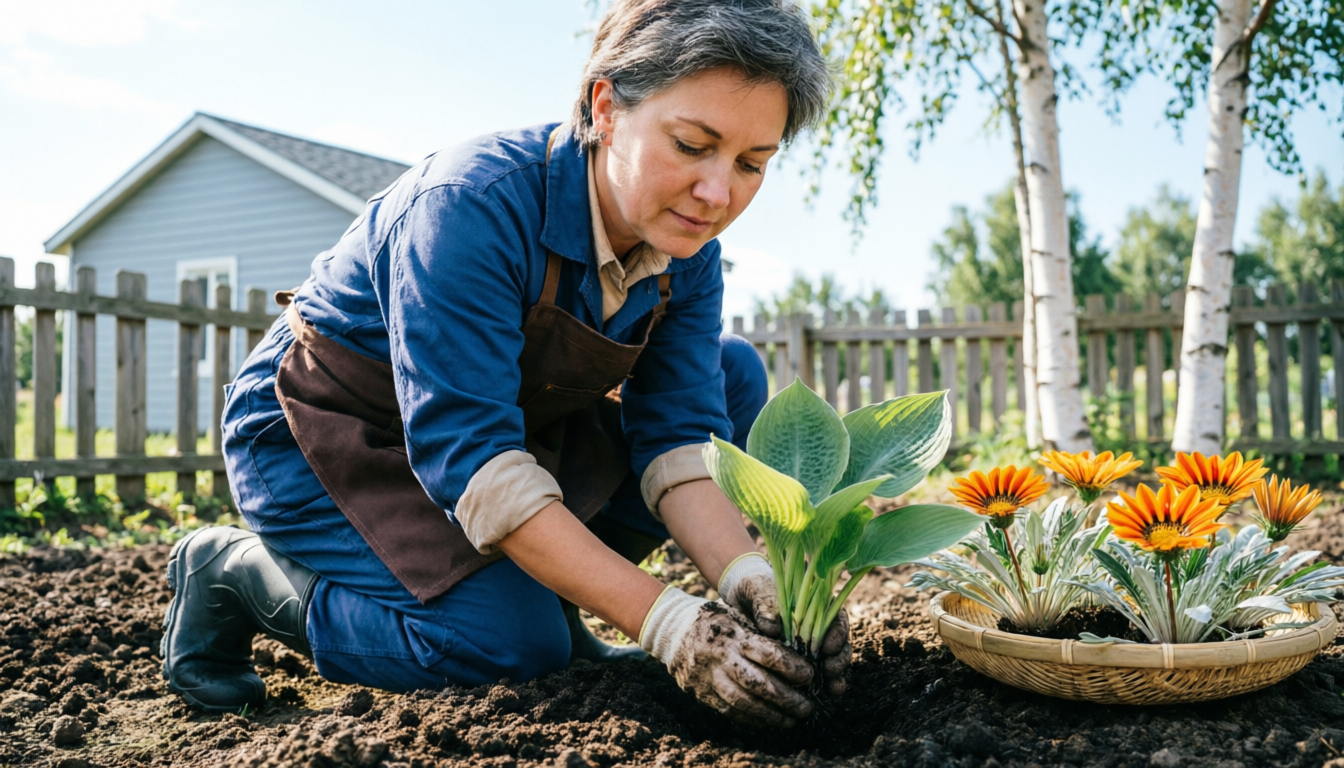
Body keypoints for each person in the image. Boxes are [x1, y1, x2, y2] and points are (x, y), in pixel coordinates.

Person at [160, 0, 845, 728]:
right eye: (690, 144)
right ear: (605, 107)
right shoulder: (469, 205)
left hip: (499, 428)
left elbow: (678, 433)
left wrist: (750, 576)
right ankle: (233, 576)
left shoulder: (685, 250)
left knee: (731, 377)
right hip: (329, 433)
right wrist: (669, 623)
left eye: (750, 163)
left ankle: (551, 612)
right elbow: (475, 457)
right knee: (506, 646)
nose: (718, 194)